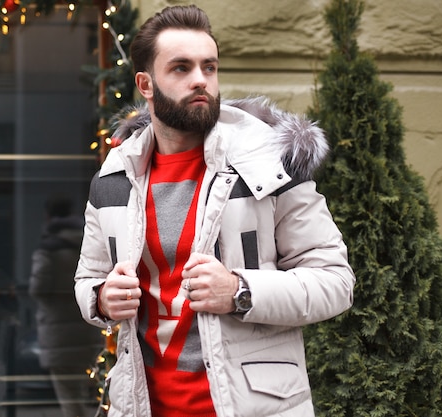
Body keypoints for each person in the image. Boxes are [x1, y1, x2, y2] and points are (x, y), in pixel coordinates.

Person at [74, 5, 355, 417]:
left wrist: (240, 291)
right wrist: (101, 299)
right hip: (141, 406)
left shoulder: (267, 164)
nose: (200, 80)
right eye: (182, 68)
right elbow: (88, 279)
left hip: (251, 408)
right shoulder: (115, 175)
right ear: (146, 84)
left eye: (209, 66)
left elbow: (336, 282)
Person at [29, 195, 102, 417]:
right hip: (88, 328)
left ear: (48, 216)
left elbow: (38, 288)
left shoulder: (49, 248)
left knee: (69, 398)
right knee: (93, 394)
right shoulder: (87, 242)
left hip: (58, 331)